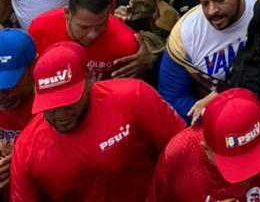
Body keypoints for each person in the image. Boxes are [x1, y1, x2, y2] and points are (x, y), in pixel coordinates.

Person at [10, 40, 184, 201]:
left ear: (90, 80)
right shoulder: (27, 149)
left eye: (69, 102)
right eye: (51, 106)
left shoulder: (134, 97)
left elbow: (184, 151)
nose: (61, 114)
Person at [147, 87, 260, 201]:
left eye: (254, 157)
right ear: (206, 149)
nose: (247, 176)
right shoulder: (179, 155)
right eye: (234, 163)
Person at [159, 0, 260, 121]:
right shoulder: (183, 36)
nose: (212, 11)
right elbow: (173, 98)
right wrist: (214, 117)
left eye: (220, 0)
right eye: (205, 3)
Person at [29, 0, 151, 81]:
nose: (92, 34)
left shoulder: (128, 46)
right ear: (67, 13)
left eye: (101, 25)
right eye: (84, 27)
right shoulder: (39, 29)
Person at [0, 29, 36, 189]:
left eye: (9, 83)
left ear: (33, 66)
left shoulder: (56, 108)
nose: (1, 94)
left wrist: (25, 159)